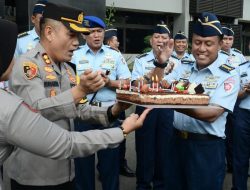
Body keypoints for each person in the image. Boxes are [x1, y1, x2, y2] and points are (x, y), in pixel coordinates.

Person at [0, 18, 151, 186]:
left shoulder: (66, 68)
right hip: (36, 176)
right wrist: (80, 90)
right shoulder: (28, 65)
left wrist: (113, 111)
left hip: (66, 170)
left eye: (78, 36)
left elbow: (77, 109)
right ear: (49, 33)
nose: (76, 43)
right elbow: (34, 113)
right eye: (71, 35)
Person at [147, 12, 239, 189]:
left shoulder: (228, 74)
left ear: (220, 44)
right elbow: (158, 86)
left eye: (208, 43)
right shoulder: (184, 66)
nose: (201, 48)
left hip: (206, 149)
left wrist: (171, 102)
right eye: (197, 42)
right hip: (176, 144)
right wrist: (160, 63)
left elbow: (212, 113)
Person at [71, 16, 131, 190]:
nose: (96, 36)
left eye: (99, 31)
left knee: (110, 167)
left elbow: (128, 84)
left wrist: (109, 83)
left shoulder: (114, 55)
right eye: (91, 32)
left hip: (110, 113)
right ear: (84, 35)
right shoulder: (75, 55)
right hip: (83, 114)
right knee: (83, 167)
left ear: (104, 33)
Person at [131, 24, 174, 190]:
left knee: (165, 151)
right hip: (146, 108)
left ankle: (161, 185)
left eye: (164, 38)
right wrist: (153, 73)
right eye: (157, 37)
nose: (161, 41)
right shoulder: (141, 60)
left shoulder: (176, 61)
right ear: (151, 41)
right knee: (144, 150)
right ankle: (142, 185)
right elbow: (136, 84)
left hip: (167, 109)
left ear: (169, 41)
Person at [104, 27, 136, 177]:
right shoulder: (112, 54)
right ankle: (104, 169)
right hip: (103, 105)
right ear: (110, 41)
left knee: (119, 138)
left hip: (118, 102)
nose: (118, 41)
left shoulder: (116, 55)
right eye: (116, 39)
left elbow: (127, 81)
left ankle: (119, 164)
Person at [220, 26, 247, 173]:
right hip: (219, 99)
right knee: (220, 132)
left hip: (236, 100)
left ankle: (232, 164)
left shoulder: (238, 56)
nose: (227, 42)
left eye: (230, 39)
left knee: (234, 134)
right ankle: (220, 163)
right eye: (224, 39)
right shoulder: (215, 55)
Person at [231, 59, 250, 190]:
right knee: (240, 156)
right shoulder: (240, 68)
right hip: (243, 115)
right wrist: (246, 91)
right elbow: (233, 94)